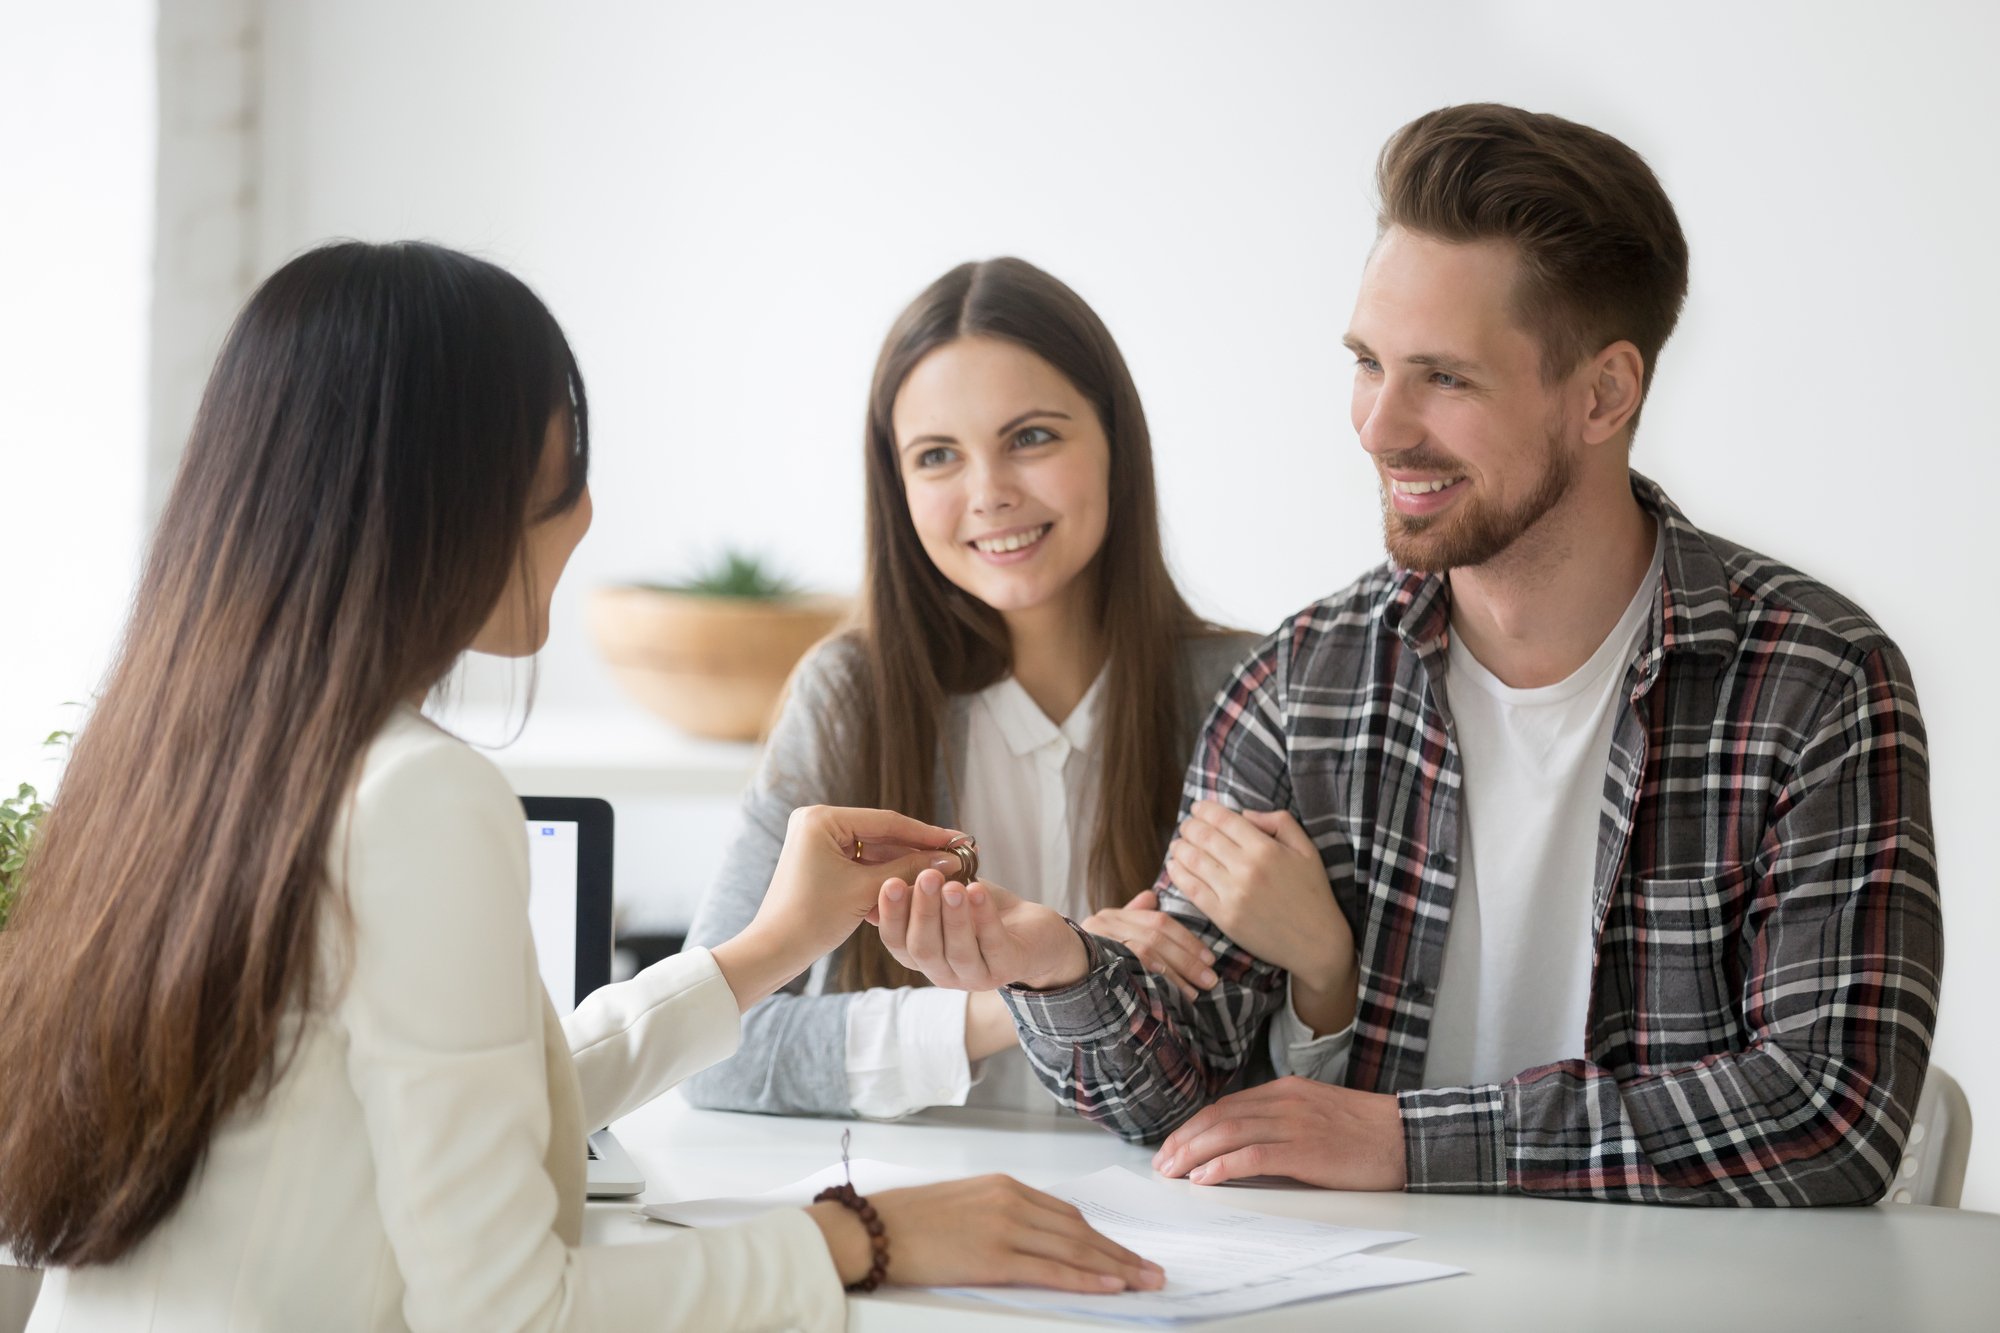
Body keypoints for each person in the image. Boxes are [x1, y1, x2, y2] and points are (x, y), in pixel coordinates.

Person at [0, 241, 1163, 1331]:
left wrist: (766, 949)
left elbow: (497, 1097)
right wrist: (855, 1235)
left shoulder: (172, 755)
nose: (584, 510)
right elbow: (509, 1308)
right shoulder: (416, 797)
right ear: (447, 493)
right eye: (562, 464)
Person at [868, 104, 1943, 1206]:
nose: (1378, 427)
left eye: (1444, 377)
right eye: (1366, 363)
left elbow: (1826, 1114)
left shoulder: (1814, 682)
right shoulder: (1303, 683)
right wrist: (1058, 968)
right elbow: (1178, 1088)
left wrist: (1406, 1140)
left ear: (1603, 394)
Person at [683, 258, 1260, 1119]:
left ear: (1115, 442)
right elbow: (710, 1048)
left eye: (1031, 437)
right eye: (939, 456)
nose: (989, 494)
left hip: (1190, 1216)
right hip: (924, 1211)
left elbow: (1282, 1049)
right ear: (899, 486)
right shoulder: (850, 700)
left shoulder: (1242, 694)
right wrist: (1037, 979)